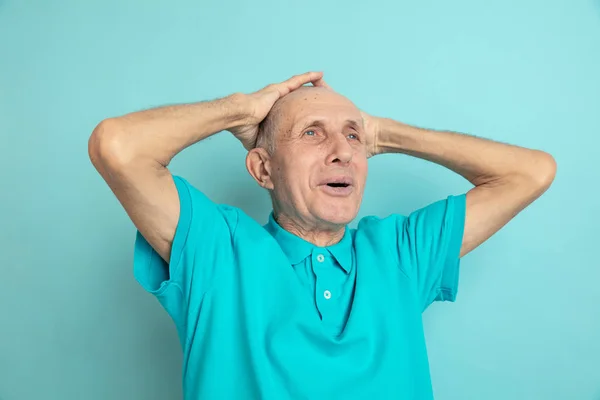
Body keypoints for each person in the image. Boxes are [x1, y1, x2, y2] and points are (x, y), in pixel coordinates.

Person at [88, 71, 556, 399]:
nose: (342, 153)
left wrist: (385, 133)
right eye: (312, 134)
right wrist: (240, 110)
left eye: (353, 138)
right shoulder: (217, 250)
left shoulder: (401, 252)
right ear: (263, 168)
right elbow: (117, 146)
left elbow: (532, 171)